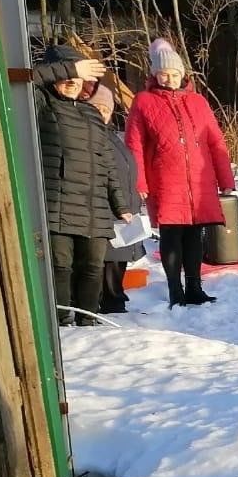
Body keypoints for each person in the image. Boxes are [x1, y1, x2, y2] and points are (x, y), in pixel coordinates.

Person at [125, 39, 237, 307]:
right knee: (172, 236)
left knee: (195, 237)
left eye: (175, 74)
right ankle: (176, 290)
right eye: (164, 73)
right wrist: (138, 180)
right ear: (154, 74)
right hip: (165, 180)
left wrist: (226, 180)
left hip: (199, 181)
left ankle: (195, 287)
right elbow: (134, 144)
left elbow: (215, 141)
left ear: (183, 74)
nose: (170, 79)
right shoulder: (143, 101)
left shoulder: (198, 102)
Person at [32, 47, 136, 325]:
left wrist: (121, 205)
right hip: (59, 204)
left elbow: (108, 165)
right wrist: (70, 69)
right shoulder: (41, 104)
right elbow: (27, 80)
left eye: (78, 78)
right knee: (61, 266)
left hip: (95, 206)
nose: (73, 83)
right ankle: (62, 320)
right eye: (68, 75)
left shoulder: (91, 115)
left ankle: (88, 321)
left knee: (92, 268)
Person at [88, 84, 143, 314]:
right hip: (105, 206)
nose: (102, 112)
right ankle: (110, 301)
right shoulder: (91, 136)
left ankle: (115, 298)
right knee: (108, 258)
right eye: (96, 107)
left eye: (106, 108)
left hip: (123, 204)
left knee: (119, 256)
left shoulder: (110, 135)